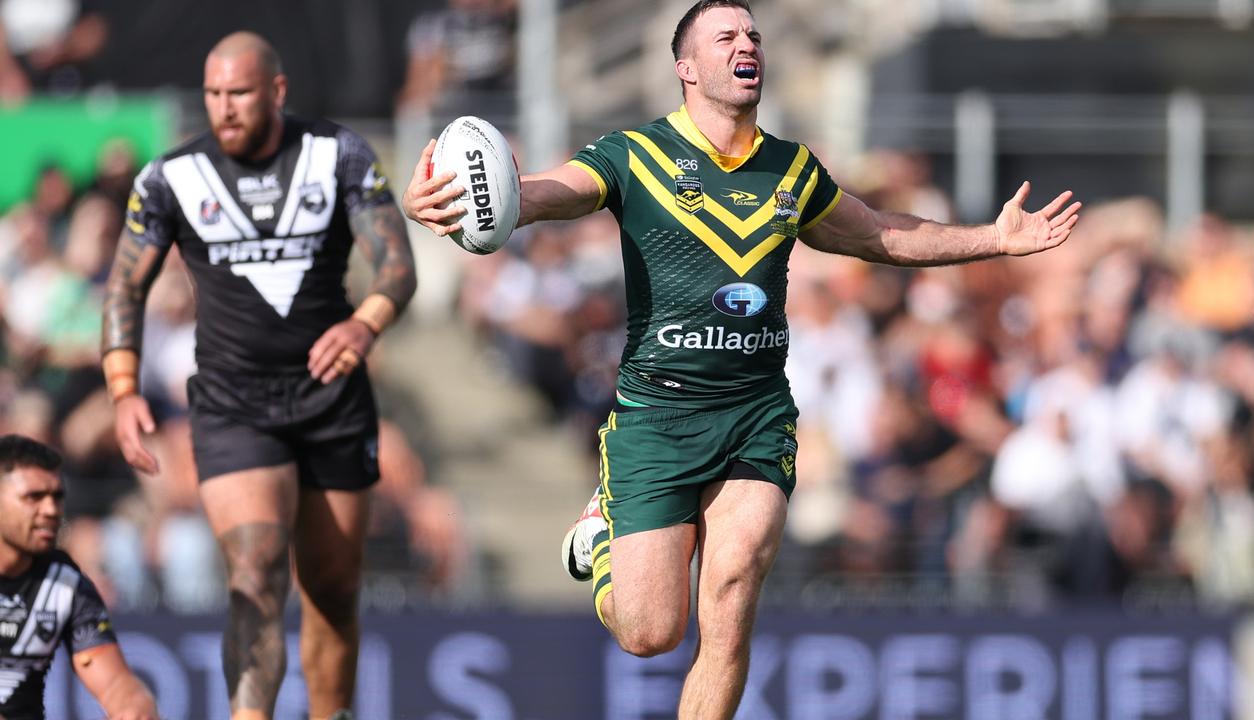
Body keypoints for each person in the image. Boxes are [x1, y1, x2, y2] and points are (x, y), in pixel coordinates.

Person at [402, 1, 1080, 716]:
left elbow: (881, 234)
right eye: (725, 36)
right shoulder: (634, 155)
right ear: (686, 68)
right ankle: (602, 533)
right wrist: (451, 202)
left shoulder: (792, 169)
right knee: (649, 632)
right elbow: (539, 195)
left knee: (728, 602)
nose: (746, 44)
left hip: (755, 415)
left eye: (752, 34)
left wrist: (993, 239)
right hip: (658, 418)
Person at [101, 31, 416, 720]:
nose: (223, 108)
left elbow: (397, 263)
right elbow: (125, 288)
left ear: (276, 91)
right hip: (232, 403)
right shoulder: (170, 177)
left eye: (238, 92)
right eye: (212, 94)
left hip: (332, 400)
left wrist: (365, 323)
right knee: (254, 575)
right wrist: (123, 390)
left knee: (332, 587)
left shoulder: (338, 155)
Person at [0, 434, 157, 720]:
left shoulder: (65, 584)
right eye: (33, 497)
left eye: (57, 497)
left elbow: (115, 686)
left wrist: (134, 707)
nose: (51, 510)